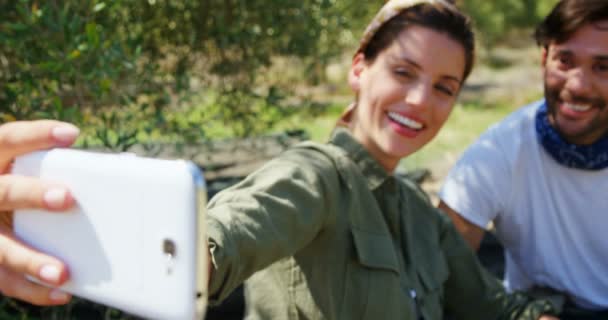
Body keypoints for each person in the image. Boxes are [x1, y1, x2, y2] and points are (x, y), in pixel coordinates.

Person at [0, 0, 559, 319]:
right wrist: (67, 232)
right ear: (360, 69)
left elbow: (493, 307)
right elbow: (222, 238)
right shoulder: (315, 176)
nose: (420, 101)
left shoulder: (419, 213)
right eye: (404, 73)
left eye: (444, 86)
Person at [438, 0, 608, 319]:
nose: (578, 86)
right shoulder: (500, 150)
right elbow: (437, 273)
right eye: (565, 61)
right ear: (544, 59)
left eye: (603, 67)